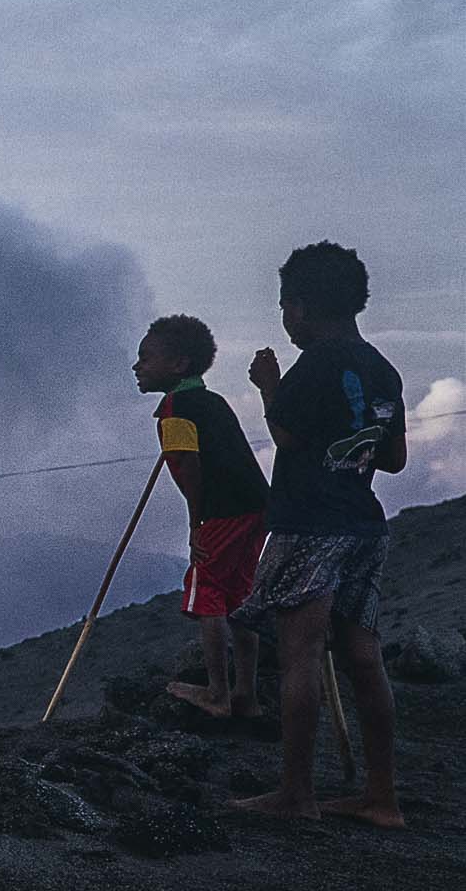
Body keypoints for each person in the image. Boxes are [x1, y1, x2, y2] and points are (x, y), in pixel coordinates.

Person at [229, 243, 407, 826]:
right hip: (363, 523)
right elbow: (397, 459)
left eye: (285, 306)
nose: (285, 318)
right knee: (364, 656)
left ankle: (296, 794)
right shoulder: (382, 369)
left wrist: (267, 387)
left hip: (309, 523)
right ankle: (382, 798)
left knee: (299, 656)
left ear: (301, 308)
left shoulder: (314, 366)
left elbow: (288, 437)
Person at [132, 315, 269, 720]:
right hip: (257, 506)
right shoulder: (211, 402)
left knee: (206, 589)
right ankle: (247, 695)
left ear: (178, 365)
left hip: (222, 509)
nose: (137, 366)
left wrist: (197, 525)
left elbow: (187, 467)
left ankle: (217, 694)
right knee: (238, 594)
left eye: (145, 358)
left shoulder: (175, 409)